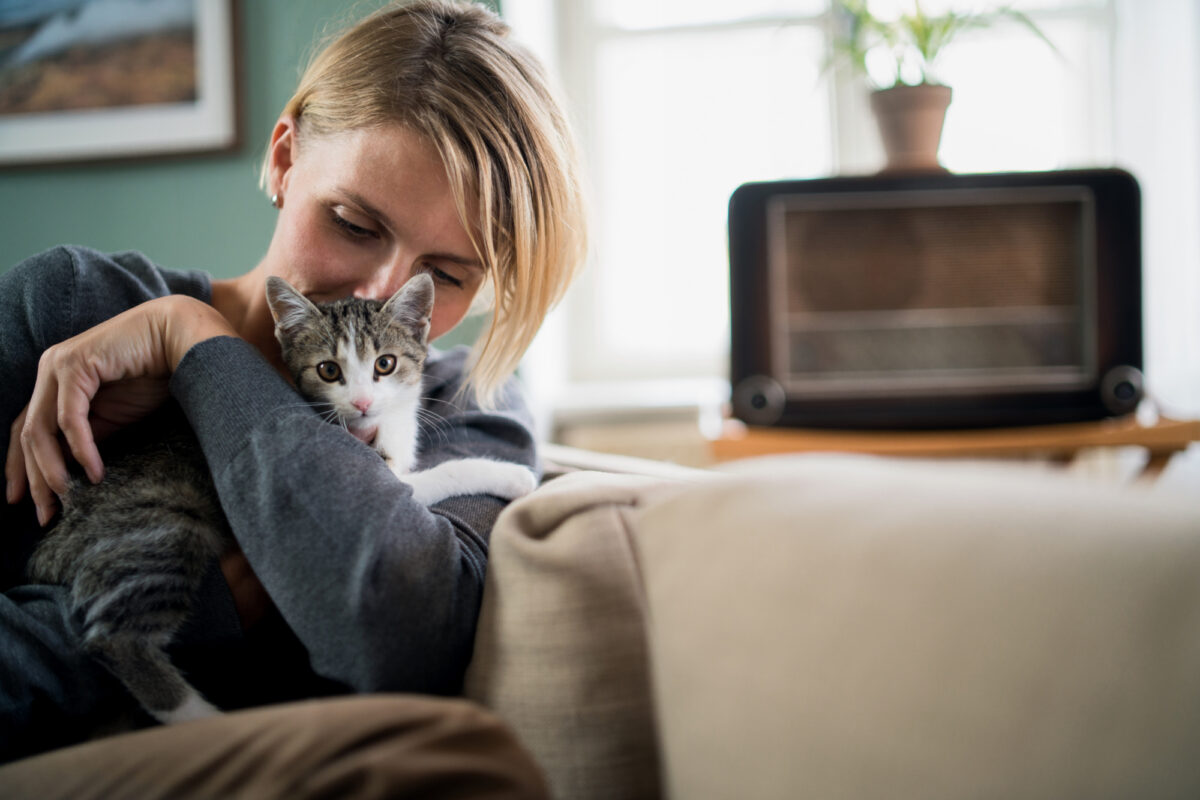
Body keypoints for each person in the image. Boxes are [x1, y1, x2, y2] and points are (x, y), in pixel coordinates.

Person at [0, 0, 585, 791]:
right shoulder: (73, 310)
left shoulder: (471, 408)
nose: (381, 293)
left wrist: (193, 344)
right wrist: (209, 609)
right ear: (283, 160)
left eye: (444, 275)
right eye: (352, 222)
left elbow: (393, 641)